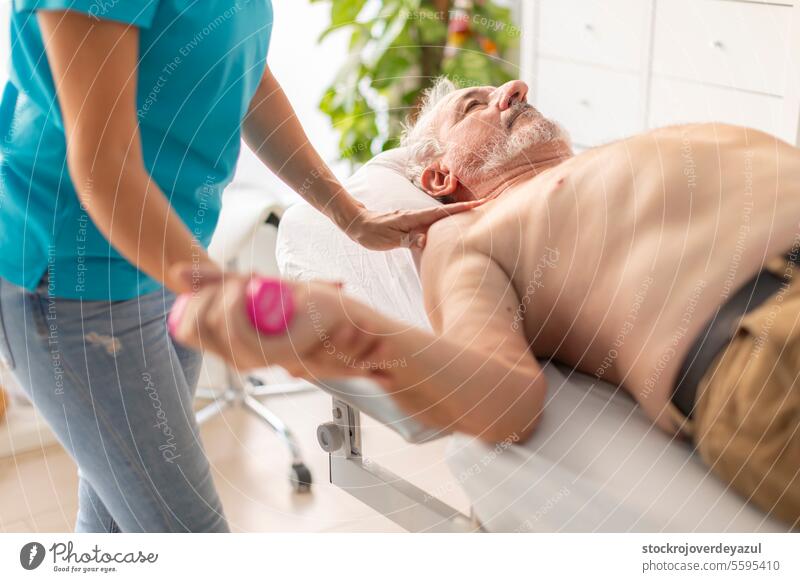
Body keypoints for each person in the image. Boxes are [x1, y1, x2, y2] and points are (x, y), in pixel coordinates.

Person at [172, 77, 800, 528]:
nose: (517, 90)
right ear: (442, 178)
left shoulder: (603, 164)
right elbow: (504, 398)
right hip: (772, 338)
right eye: (477, 103)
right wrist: (344, 332)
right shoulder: (466, 236)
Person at [0, 3, 480, 533]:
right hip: (74, 272)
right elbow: (102, 167)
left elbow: (247, 80)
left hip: (164, 254)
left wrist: (352, 216)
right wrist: (227, 290)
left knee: (114, 525)